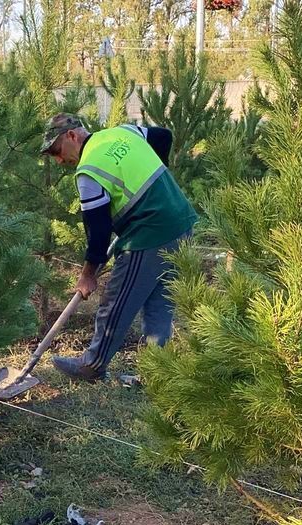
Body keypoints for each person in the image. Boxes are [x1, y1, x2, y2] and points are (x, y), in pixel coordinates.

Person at [39, 113, 197, 381]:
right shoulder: (122, 132)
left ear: (72, 136)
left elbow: (99, 232)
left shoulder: (88, 171)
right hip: (181, 221)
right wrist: (157, 184)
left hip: (149, 233)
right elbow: (163, 137)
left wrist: (88, 275)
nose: (58, 160)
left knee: (116, 301)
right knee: (159, 303)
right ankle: (156, 375)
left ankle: (92, 365)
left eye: (56, 151)